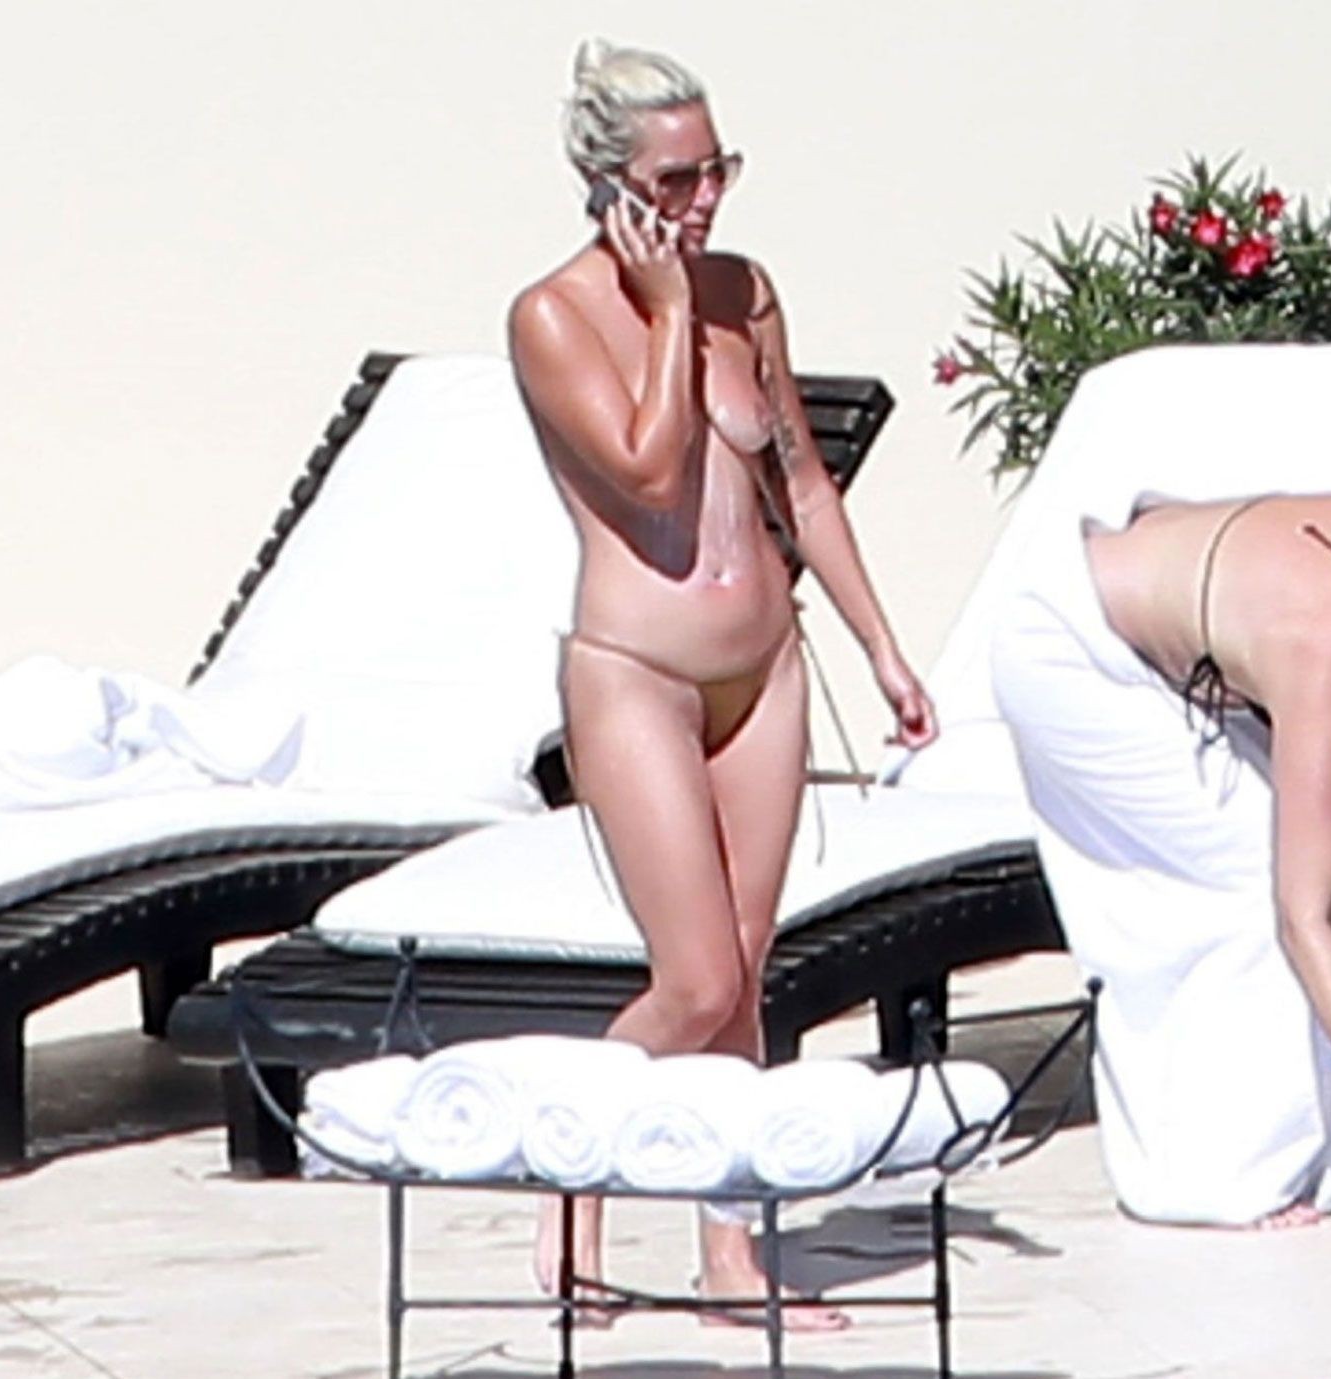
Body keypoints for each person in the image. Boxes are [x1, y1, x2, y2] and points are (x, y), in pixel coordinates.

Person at [508, 39, 937, 1324]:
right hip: (636, 672)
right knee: (692, 977)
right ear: (608, 182)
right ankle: (566, 1172)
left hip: (764, 663)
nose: (703, 200)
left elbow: (799, 478)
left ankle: (730, 1257)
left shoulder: (746, 292)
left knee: (745, 977)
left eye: (717, 169)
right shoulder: (553, 316)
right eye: (676, 179)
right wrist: (665, 310)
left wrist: (880, 644)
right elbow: (648, 468)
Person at [992, 474, 1331, 1228]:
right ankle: (1223, 1173)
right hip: (1069, 653)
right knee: (1250, 878)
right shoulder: (1322, 636)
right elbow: (1300, 917)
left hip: (1174, 631)